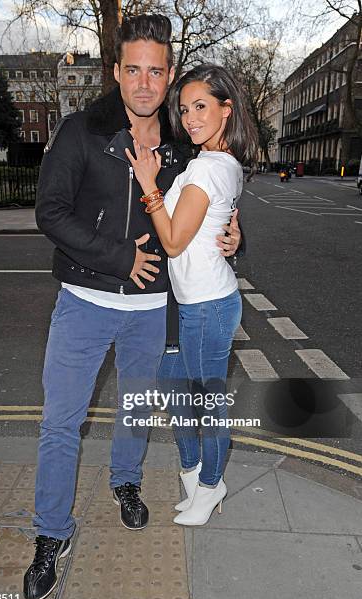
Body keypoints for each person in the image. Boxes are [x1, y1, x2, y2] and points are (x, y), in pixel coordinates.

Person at [23, 16, 242, 599]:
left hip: (153, 308)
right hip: (84, 301)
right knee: (60, 424)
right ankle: (51, 534)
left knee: (136, 411)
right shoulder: (80, 131)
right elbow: (51, 213)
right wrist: (120, 257)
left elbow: (202, 205)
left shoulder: (182, 141)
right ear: (116, 72)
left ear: (168, 76)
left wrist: (230, 231)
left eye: (156, 70)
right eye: (133, 69)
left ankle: (125, 484)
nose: (145, 82)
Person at [125, 63, 257, 527]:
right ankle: (194, 470)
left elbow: (176, 241)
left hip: (207, 306)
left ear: (227, 109)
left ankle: (211, 483)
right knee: (173, 388)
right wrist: (232, 234)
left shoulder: (207, 167)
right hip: (192, 302)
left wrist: (149, 188)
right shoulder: (220, 164)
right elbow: (211, 228)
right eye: (184, 109)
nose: (190, 118)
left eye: (201, 106)